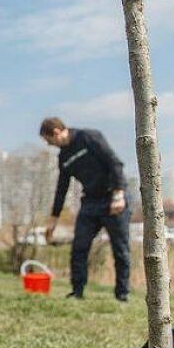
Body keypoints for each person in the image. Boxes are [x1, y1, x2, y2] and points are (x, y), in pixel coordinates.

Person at [40, 117, 130, 301]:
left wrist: (118, 194)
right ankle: (77, 291)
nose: (50, 145)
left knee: (120, 250)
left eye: (49, 141)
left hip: (112, 198)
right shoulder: (63, 157)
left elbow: (115, 163)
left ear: (56, 132)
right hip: (90, 203)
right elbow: (61, 188)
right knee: (79, 248)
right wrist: (54, 219)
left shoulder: (88, 137)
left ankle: (122, 295)